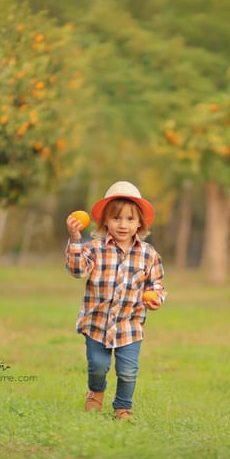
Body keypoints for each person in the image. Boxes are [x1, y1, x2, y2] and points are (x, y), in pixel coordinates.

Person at [65, 180, 166, 420]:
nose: (123, 225)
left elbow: (156, 284)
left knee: (128, 371)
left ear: (139, 223)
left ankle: (123, 406)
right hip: (97, 324)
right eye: (116, 218)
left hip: (129, 326)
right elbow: (78, 270)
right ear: (105, 222)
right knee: (98, 366)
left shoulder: (148, 254)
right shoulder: (95, 248)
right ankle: (96, 391)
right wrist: (74, 238)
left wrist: (156, 298)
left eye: (130, 219)